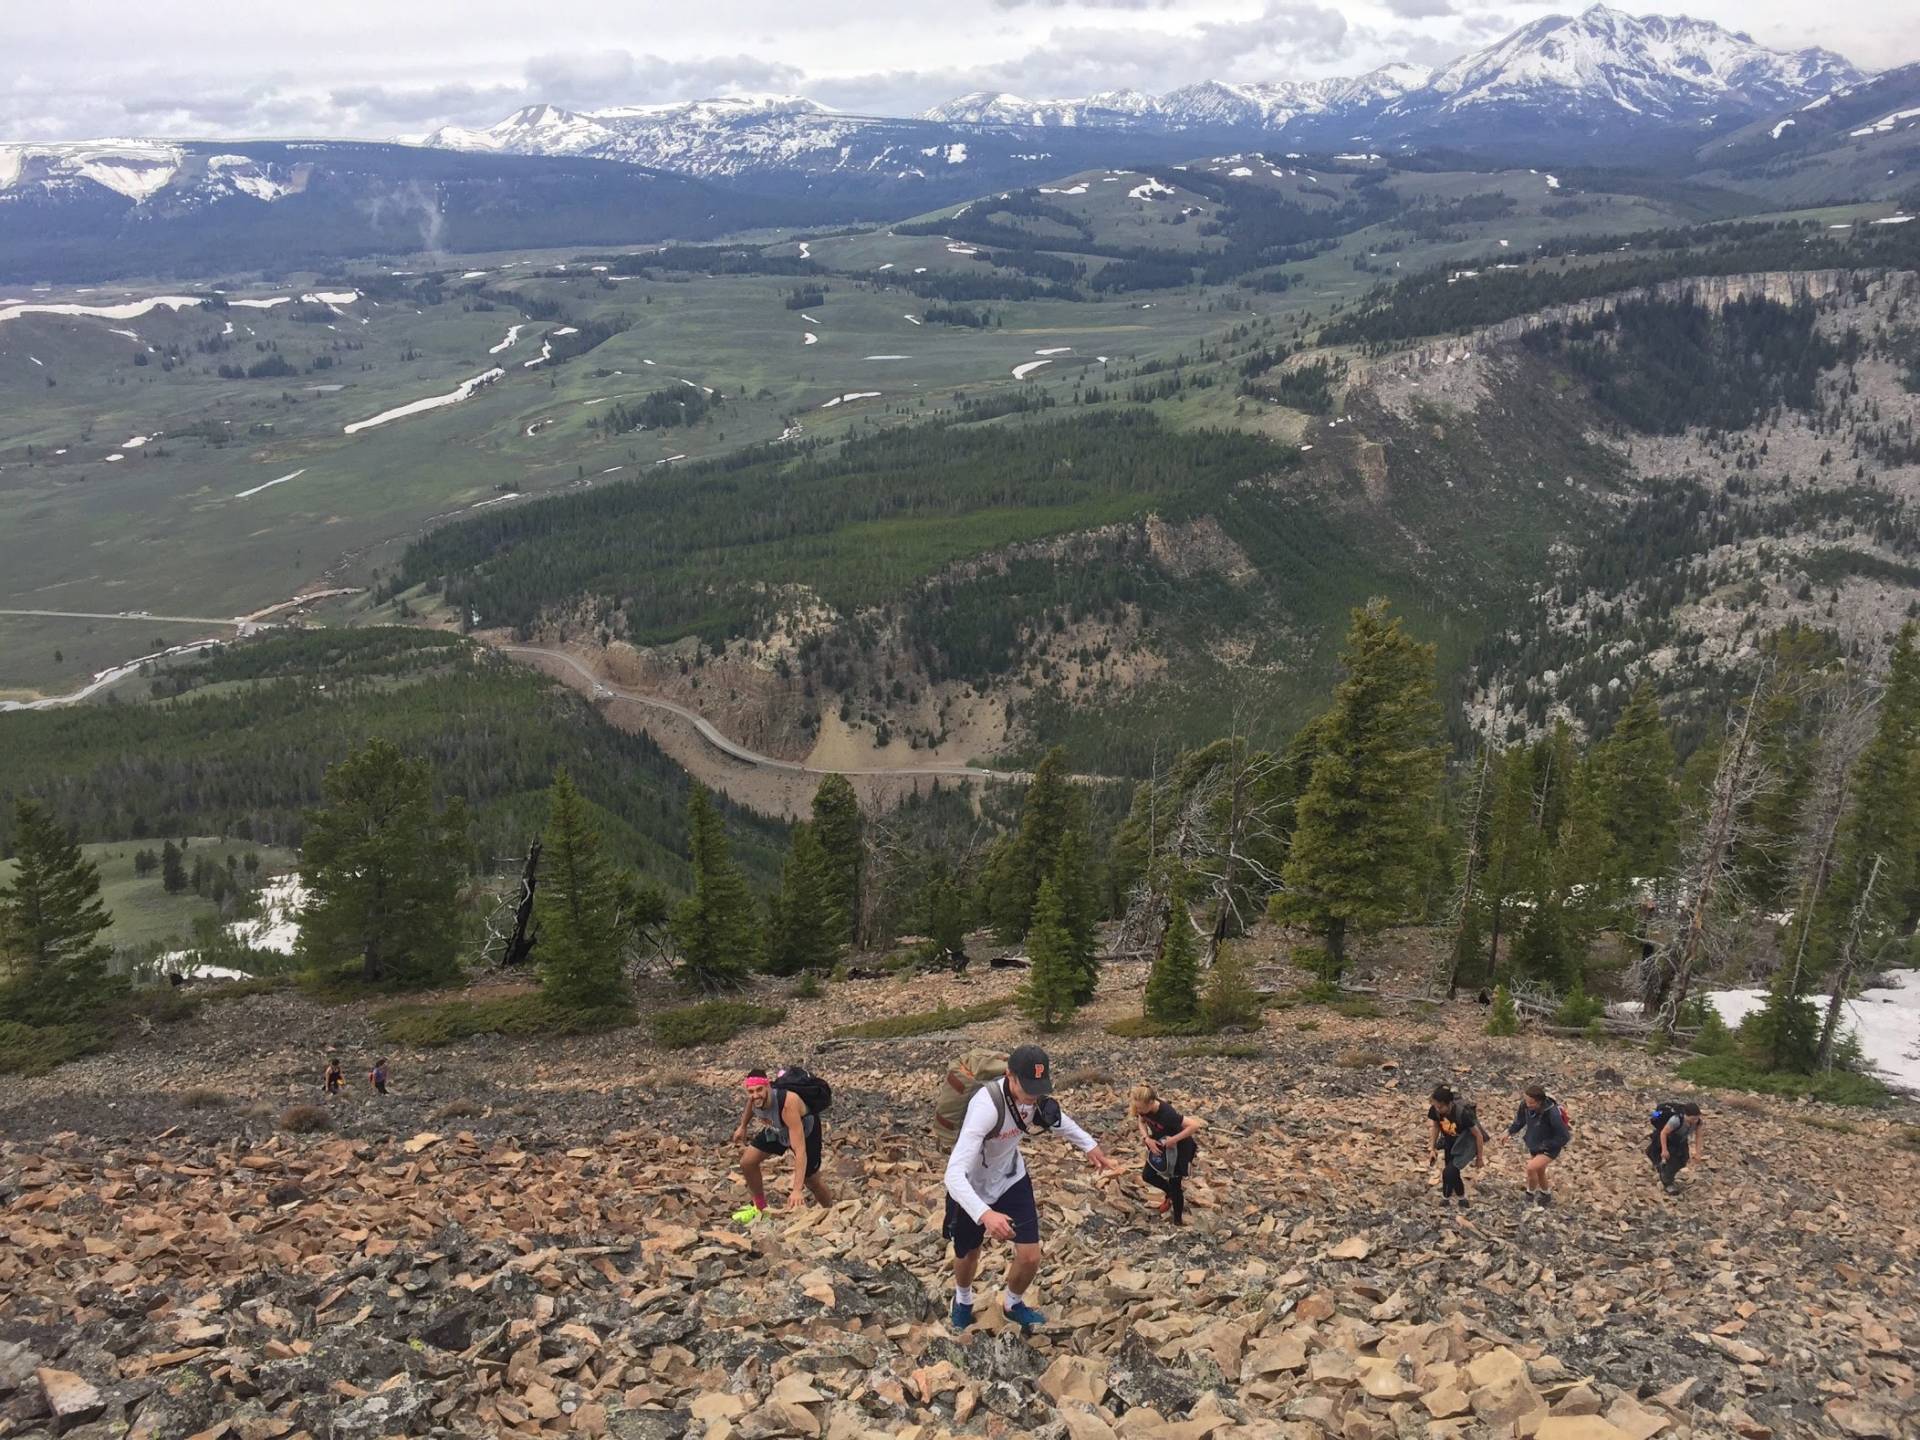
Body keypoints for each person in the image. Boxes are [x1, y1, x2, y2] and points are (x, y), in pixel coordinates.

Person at [944, 1043, 1113, 1333]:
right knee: (969, 1253)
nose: (1034, 1096)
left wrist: (1089, 1145)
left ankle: (1013, 1304)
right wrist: (985, 1214)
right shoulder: (985, 1107)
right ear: (1009, 1076)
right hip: (972, 1186)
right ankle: (962, 1300)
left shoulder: (1033, 1098)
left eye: (1039, 1088)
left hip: (1011, 1178)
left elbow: (1058, 1120)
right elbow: (953, 1175)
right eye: (1028, 1088)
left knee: (1030, 1255)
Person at [732, 1068, 833, 1214]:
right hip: (777, 1129)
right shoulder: (754, 1098)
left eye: (759, 1089)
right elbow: (750, 1104)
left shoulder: (787, 1105)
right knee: (747, 1162)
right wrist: (743, 1126)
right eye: (751, 1091)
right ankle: (760, 1208)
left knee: (811, 1180)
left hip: (805, 1131)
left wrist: (797, 1190)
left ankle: (830, 1211)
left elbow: (800, 1150)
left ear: (768, 1086)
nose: (755, 1095)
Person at [1130, 1083, 1202, 1226]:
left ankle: (1178, 1222)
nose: (1139, 1111)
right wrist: (1146, 1138)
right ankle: (1170, 1194)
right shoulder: (1143, 1109)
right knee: (1148, 1175)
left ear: (1151, 1102)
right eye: (1137, 1107)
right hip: (1159, 1143)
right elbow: (1141, 1121)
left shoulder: (1167, 1114)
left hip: (1181, 1147)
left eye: (1141, 1108)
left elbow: (1194, 1125)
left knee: (1175, 1183)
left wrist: (1174, 1139)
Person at [1506, 1083, 1572, 1207]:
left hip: (1549, 1147)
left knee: (1531, 1168)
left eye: (1531, 1103)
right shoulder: (1525, 1105)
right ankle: (1546, 1194)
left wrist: (1547, 1144)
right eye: (1526, 1101)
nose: (1527, 1104)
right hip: (1535, 1144)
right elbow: (1520, 1121)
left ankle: (1529, 1194)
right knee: (1539, 1171)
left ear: (1539, 1102)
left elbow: (1564, 1136)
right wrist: (1509, 1132)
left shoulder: (1552, 1113)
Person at [1427, 1085, 1487, 1208]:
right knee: (1452, 1172)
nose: (1438, 1109)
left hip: (1465, 1144)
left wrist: (1479, 1158)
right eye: (1436, 1106)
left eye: (1440, 1107)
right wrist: (1432, 1148)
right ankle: (1460, 1199)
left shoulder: (1462, 1113)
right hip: (1449, 1142)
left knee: (1449, 1172)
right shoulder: (1435, 1110)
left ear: (1449, 1104)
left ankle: (1447, 1198)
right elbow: (1436, 1127)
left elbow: (1478, 1135)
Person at [1648, 1100, 1704, 1195]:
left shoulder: (1698, 1122)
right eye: (1693, 1118)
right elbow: (1663, 1133)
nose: (1695, 1121)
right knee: (1673, 1162)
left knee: (1683, 1160)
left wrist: (1698, 1153)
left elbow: (1699, 1137)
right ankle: (1667, 1182)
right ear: (1686, 1115)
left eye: (1697, 1118)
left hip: (1681, 1141)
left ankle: (1662, 1167)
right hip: (1668, 1139)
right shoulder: (1676, 1120)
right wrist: (1664, 1150)